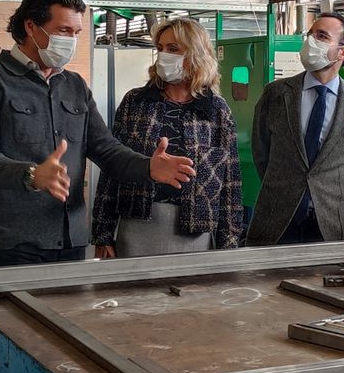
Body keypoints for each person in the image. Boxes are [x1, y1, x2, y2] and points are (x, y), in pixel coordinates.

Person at [0, 0, 197, 266]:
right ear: (32, 26)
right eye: (63, 31)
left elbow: (105, 149)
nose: (71, 40)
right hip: (14, 240)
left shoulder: (74, 85)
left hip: (71, 238)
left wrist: (147, 167)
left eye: (76, 33)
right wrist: (31, 174)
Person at [92, 18, 244, 257]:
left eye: (173, 49)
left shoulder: (216, 110)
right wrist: (102, 233)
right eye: (160, 48)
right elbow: (112, 169)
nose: (163, 55)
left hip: (195, 234)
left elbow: (231, 183)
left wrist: (229, 244)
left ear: (196, 54)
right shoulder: (136, 102)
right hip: (138, 226)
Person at [246, 13, 344, 245]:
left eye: (322, 36)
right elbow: (261, 152)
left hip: (332, 224)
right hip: (277, 219)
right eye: (310, 35)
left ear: (342, 52)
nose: (310, 41)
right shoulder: (275, 94)